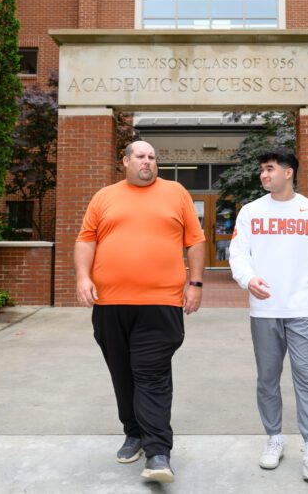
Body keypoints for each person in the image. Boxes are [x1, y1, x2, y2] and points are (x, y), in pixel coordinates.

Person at [75, 140, 206, 484]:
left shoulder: (176, 193)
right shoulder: (104, 197)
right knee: (122, 373)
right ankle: (133, 432)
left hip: (160, 304)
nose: (148, 161)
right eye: (141, 156)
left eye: (152, 157)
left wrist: (195, 283)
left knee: (151, 374)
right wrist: (83, 277)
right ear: (125, 161)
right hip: (110, 304)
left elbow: (195, 240)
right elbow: (86, 239)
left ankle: (158, 451)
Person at [228, 149, 308, 481]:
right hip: (264, 311)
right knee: (267, 378)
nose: (264, 175)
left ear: (288, 172)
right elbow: (238, 254)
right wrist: (248, 279)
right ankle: (274, 438)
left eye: (270, 169)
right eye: (262, 170)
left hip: (303, 310)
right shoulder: (250, 212)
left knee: (307, 378)